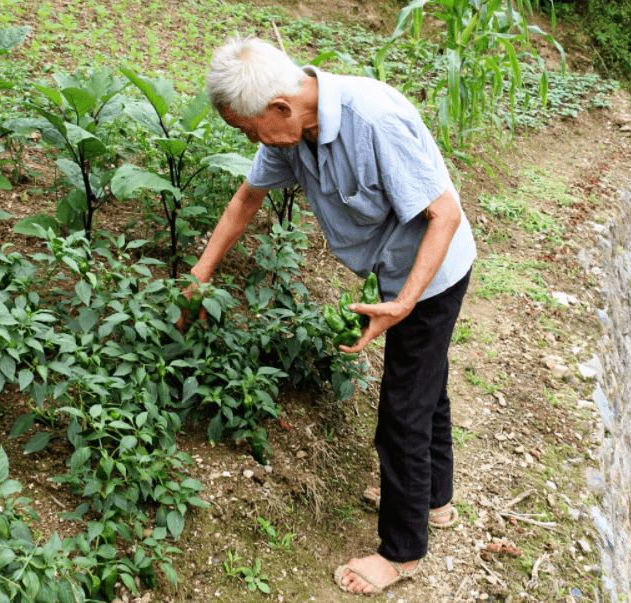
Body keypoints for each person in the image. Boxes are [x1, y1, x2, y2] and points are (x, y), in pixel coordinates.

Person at [184, 36, 477, 596]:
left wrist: (403, 303)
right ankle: (433, 503)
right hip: (395, 276)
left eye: (247, 130)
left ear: (279, 109)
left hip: (431, 274)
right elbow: (246, 199)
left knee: (402, 410)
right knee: (427, 388)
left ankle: (402, 550)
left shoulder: (376, 119)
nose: (251, 141)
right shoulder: (291, 133)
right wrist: (199, 279)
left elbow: (444, 213)